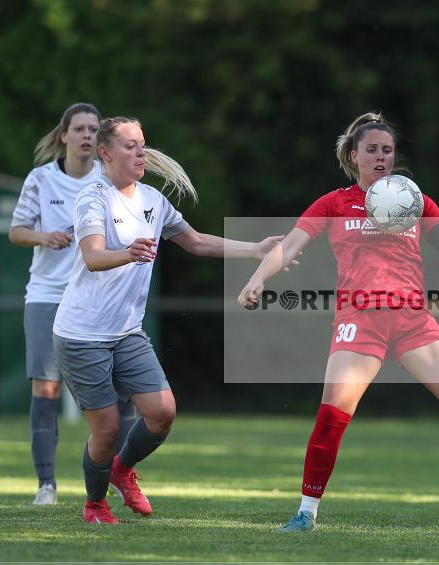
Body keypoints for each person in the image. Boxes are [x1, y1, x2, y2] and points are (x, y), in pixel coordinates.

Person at [238, 112, 439, 534]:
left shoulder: (416, 202)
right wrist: (257, 278)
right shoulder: (333, 204)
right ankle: (306, 513)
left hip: (412, 318)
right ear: (353, 155)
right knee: (333, 414)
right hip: (360, 318)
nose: (381, 157)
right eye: (372, 150)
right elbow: (288, 247)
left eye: (388, 150)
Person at [53, 116, 285, 524]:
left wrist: (256, 249)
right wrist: (128, 253)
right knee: (106, 429)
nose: (141, 153)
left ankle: (122, 471)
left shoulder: (153, 200)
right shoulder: (93, 198)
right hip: (82, 334)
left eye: (142, 144)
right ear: (105, 153)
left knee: (162, 412)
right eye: (130, 146)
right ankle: (95, 505)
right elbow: (92, 257)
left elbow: (195, 242)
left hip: (126, 333)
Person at [9, 103, 137, 506]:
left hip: (98, 298)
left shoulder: (108, 181)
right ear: (64, 135)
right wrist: (43, 237)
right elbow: (16, 231)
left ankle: (118, 473)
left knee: (122, 390)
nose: (86, 135)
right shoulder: (41, 179)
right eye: (79, 129)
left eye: (93, 129)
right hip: (48, 295)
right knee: (46, 387)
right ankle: (46, 485)